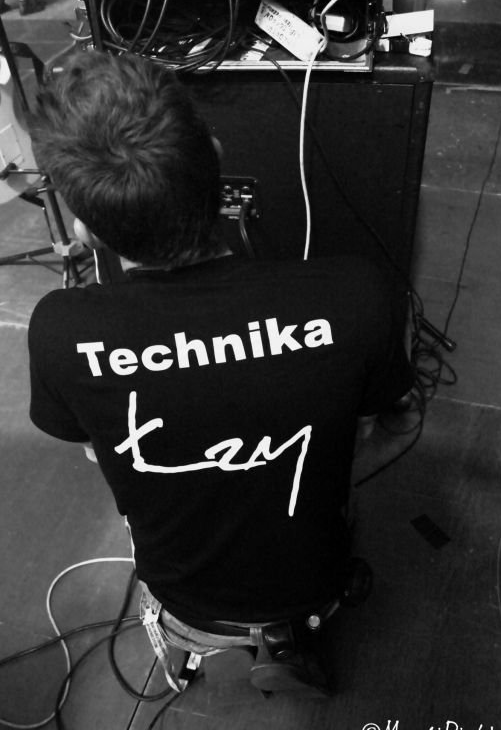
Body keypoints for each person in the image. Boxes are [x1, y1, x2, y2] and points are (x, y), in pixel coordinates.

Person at [27, 50, 414, 696]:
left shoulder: (60, 332)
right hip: (317, 586)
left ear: (85, 226)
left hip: (188, 604)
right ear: (214, 154)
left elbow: (102, 457)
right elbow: (388, 430)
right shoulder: (357, 296)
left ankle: (203, 652)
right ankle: (289, 640)